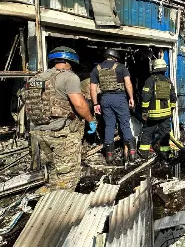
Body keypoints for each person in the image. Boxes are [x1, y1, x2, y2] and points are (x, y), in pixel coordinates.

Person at [23, 46, 97, 191]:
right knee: (67, 176)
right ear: (71, 60)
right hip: (62, 133)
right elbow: (79, 104)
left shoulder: (36, 78)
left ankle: (51, 200)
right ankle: (64, 207)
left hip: (41, 132)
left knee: (52, 171)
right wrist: (91, 120)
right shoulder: (70, 77)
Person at [90, 49, 136, 164]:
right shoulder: (121, 67)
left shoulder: (97, 69)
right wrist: (131, 97)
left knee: (109, 126)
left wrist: (95, 103)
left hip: (105, 99)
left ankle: (109, 156)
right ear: (115, 57)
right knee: (125, 124)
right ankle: (132, 153)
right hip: (119, 98)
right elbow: (128, 83)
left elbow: (92, 88)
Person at [139, 58, 177, 160]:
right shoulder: (168, 81)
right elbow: (173, 97)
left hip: (153, 115)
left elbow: (145, 97)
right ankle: (165, 153)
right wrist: (171, 109)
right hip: (165, 115)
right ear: (164, 69)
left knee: (147, 132)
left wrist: (144, 111)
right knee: (164, 133)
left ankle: (144, 153)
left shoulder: (150, 80)